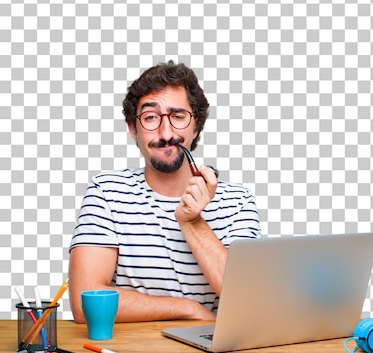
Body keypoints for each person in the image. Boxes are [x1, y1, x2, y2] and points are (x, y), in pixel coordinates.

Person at [68, 61, 261, 323]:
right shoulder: (106, 193)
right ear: (133, 128)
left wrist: (192, 222)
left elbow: (248, 302)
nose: (166, 132)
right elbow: (86, 302)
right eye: (150, 118)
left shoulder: (237, 202)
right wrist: (187, 309)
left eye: (178, 116)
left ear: (196, 126)